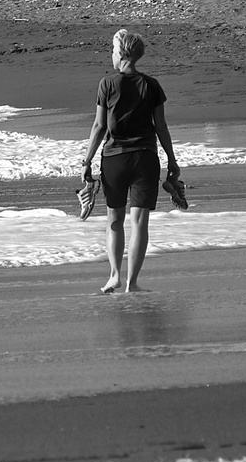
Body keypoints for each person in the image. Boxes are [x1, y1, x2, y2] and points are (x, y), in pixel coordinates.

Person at [77, 27, 184, 294]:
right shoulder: (152, 85)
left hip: (114, 160)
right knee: (139, 223)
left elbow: (99, 127)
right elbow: (161, 127)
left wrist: (86, 161)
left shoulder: (107, 84)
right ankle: (132, 283)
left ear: (121, 54)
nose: (111, 56)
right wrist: (172, 160)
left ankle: (114, 276)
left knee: (114, 217)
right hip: (145, 159)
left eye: (113, 51)